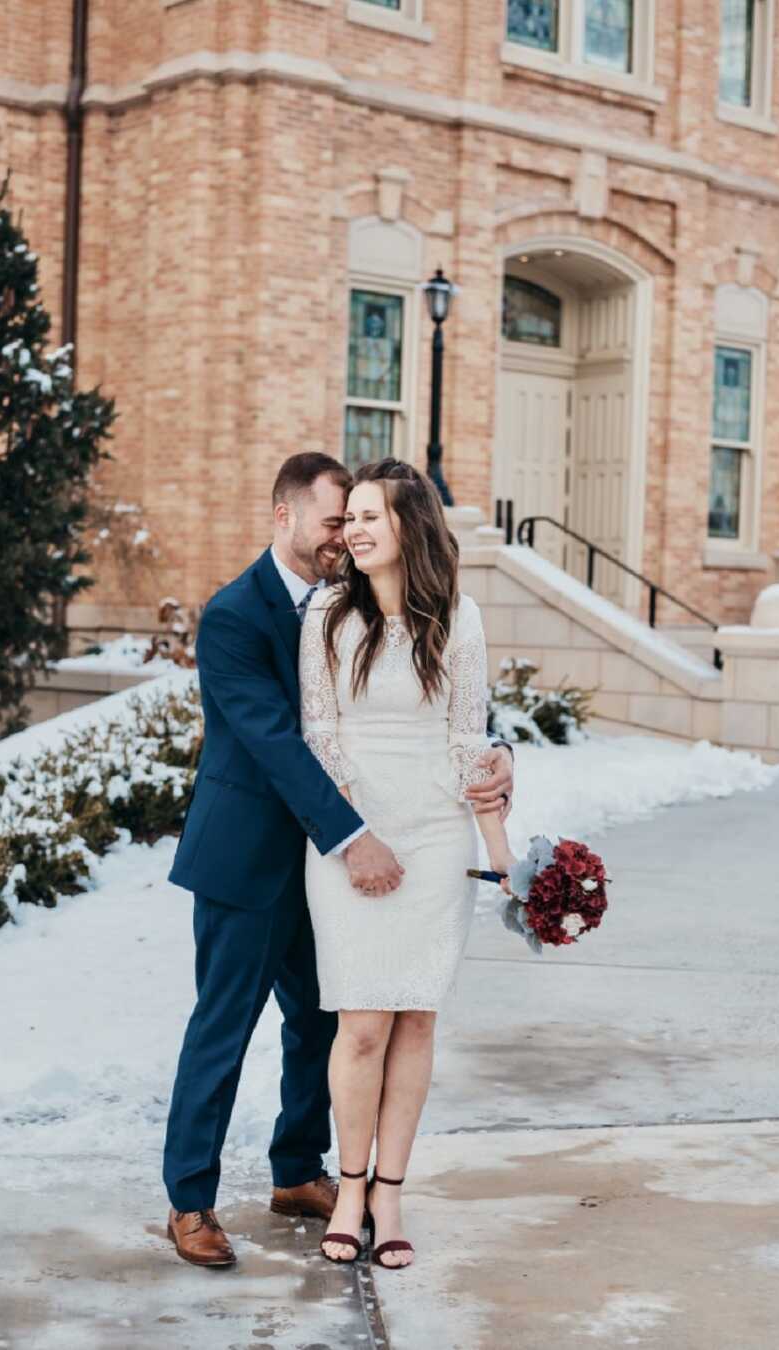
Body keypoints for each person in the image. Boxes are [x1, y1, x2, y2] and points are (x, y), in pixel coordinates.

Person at [162, 452, 515, 1267]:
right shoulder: (234, 616)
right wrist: (354, 838)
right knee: (224, 1027)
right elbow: (282, 744)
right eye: (331, 524)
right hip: (254, 858)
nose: (341, 539)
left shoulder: (356, 601)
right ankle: (190, 1199)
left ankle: (297, 1171)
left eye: (353, 522)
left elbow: (442, 709)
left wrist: (496, 755)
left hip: (339, 862)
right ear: (284, 517)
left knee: (322, 1026)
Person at [300, 458, 518, 1270]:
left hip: (434, 838)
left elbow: (469, 739)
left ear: (409, 527)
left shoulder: (457, 619)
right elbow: (319, 738)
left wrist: (503, 860)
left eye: (369, 516)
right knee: (361, 1026)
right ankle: (349, 1186)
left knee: (417, 1019)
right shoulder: (326, 614)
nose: (352, 530)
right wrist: (357, 838)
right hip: (351, 835)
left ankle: (390, 1190)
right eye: (348, 516)